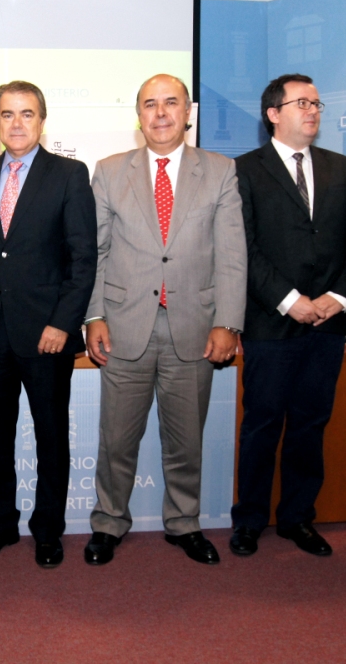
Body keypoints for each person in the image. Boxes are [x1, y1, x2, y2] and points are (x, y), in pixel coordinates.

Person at [83, 74, 246, 566]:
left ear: (188, 112)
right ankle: (108, 522)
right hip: (123, 326)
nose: (160, 113)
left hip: (194, 327)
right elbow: (95, 251)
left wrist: (228, 322)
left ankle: (184, 523)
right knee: (116, 441)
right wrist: (94, 314)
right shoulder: (110, 171)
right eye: (150, 104)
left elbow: (232, 254)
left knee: (185, 440)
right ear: (138, 115)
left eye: (171, 102)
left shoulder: (220, 171)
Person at [228, 74, 346, 557]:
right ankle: (249, 519)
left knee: (310, 425)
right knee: (262, 425)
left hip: (328, 323)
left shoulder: (342, 168)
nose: (312, 110)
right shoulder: (243, 170)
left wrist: (339, 298)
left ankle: (297, 518)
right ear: (273, 113)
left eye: (316, 103)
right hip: (271, 322)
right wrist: (291, 300)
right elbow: (243, 248)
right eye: (301, 103)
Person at [0, 81, 97, 568]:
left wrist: (63, 323)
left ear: (42, 120)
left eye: (26, 114)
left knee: (51, 437)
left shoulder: (69, 174)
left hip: (47, 334)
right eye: (7, 114)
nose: (16, 123)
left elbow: (83, 258)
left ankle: (47, 531)